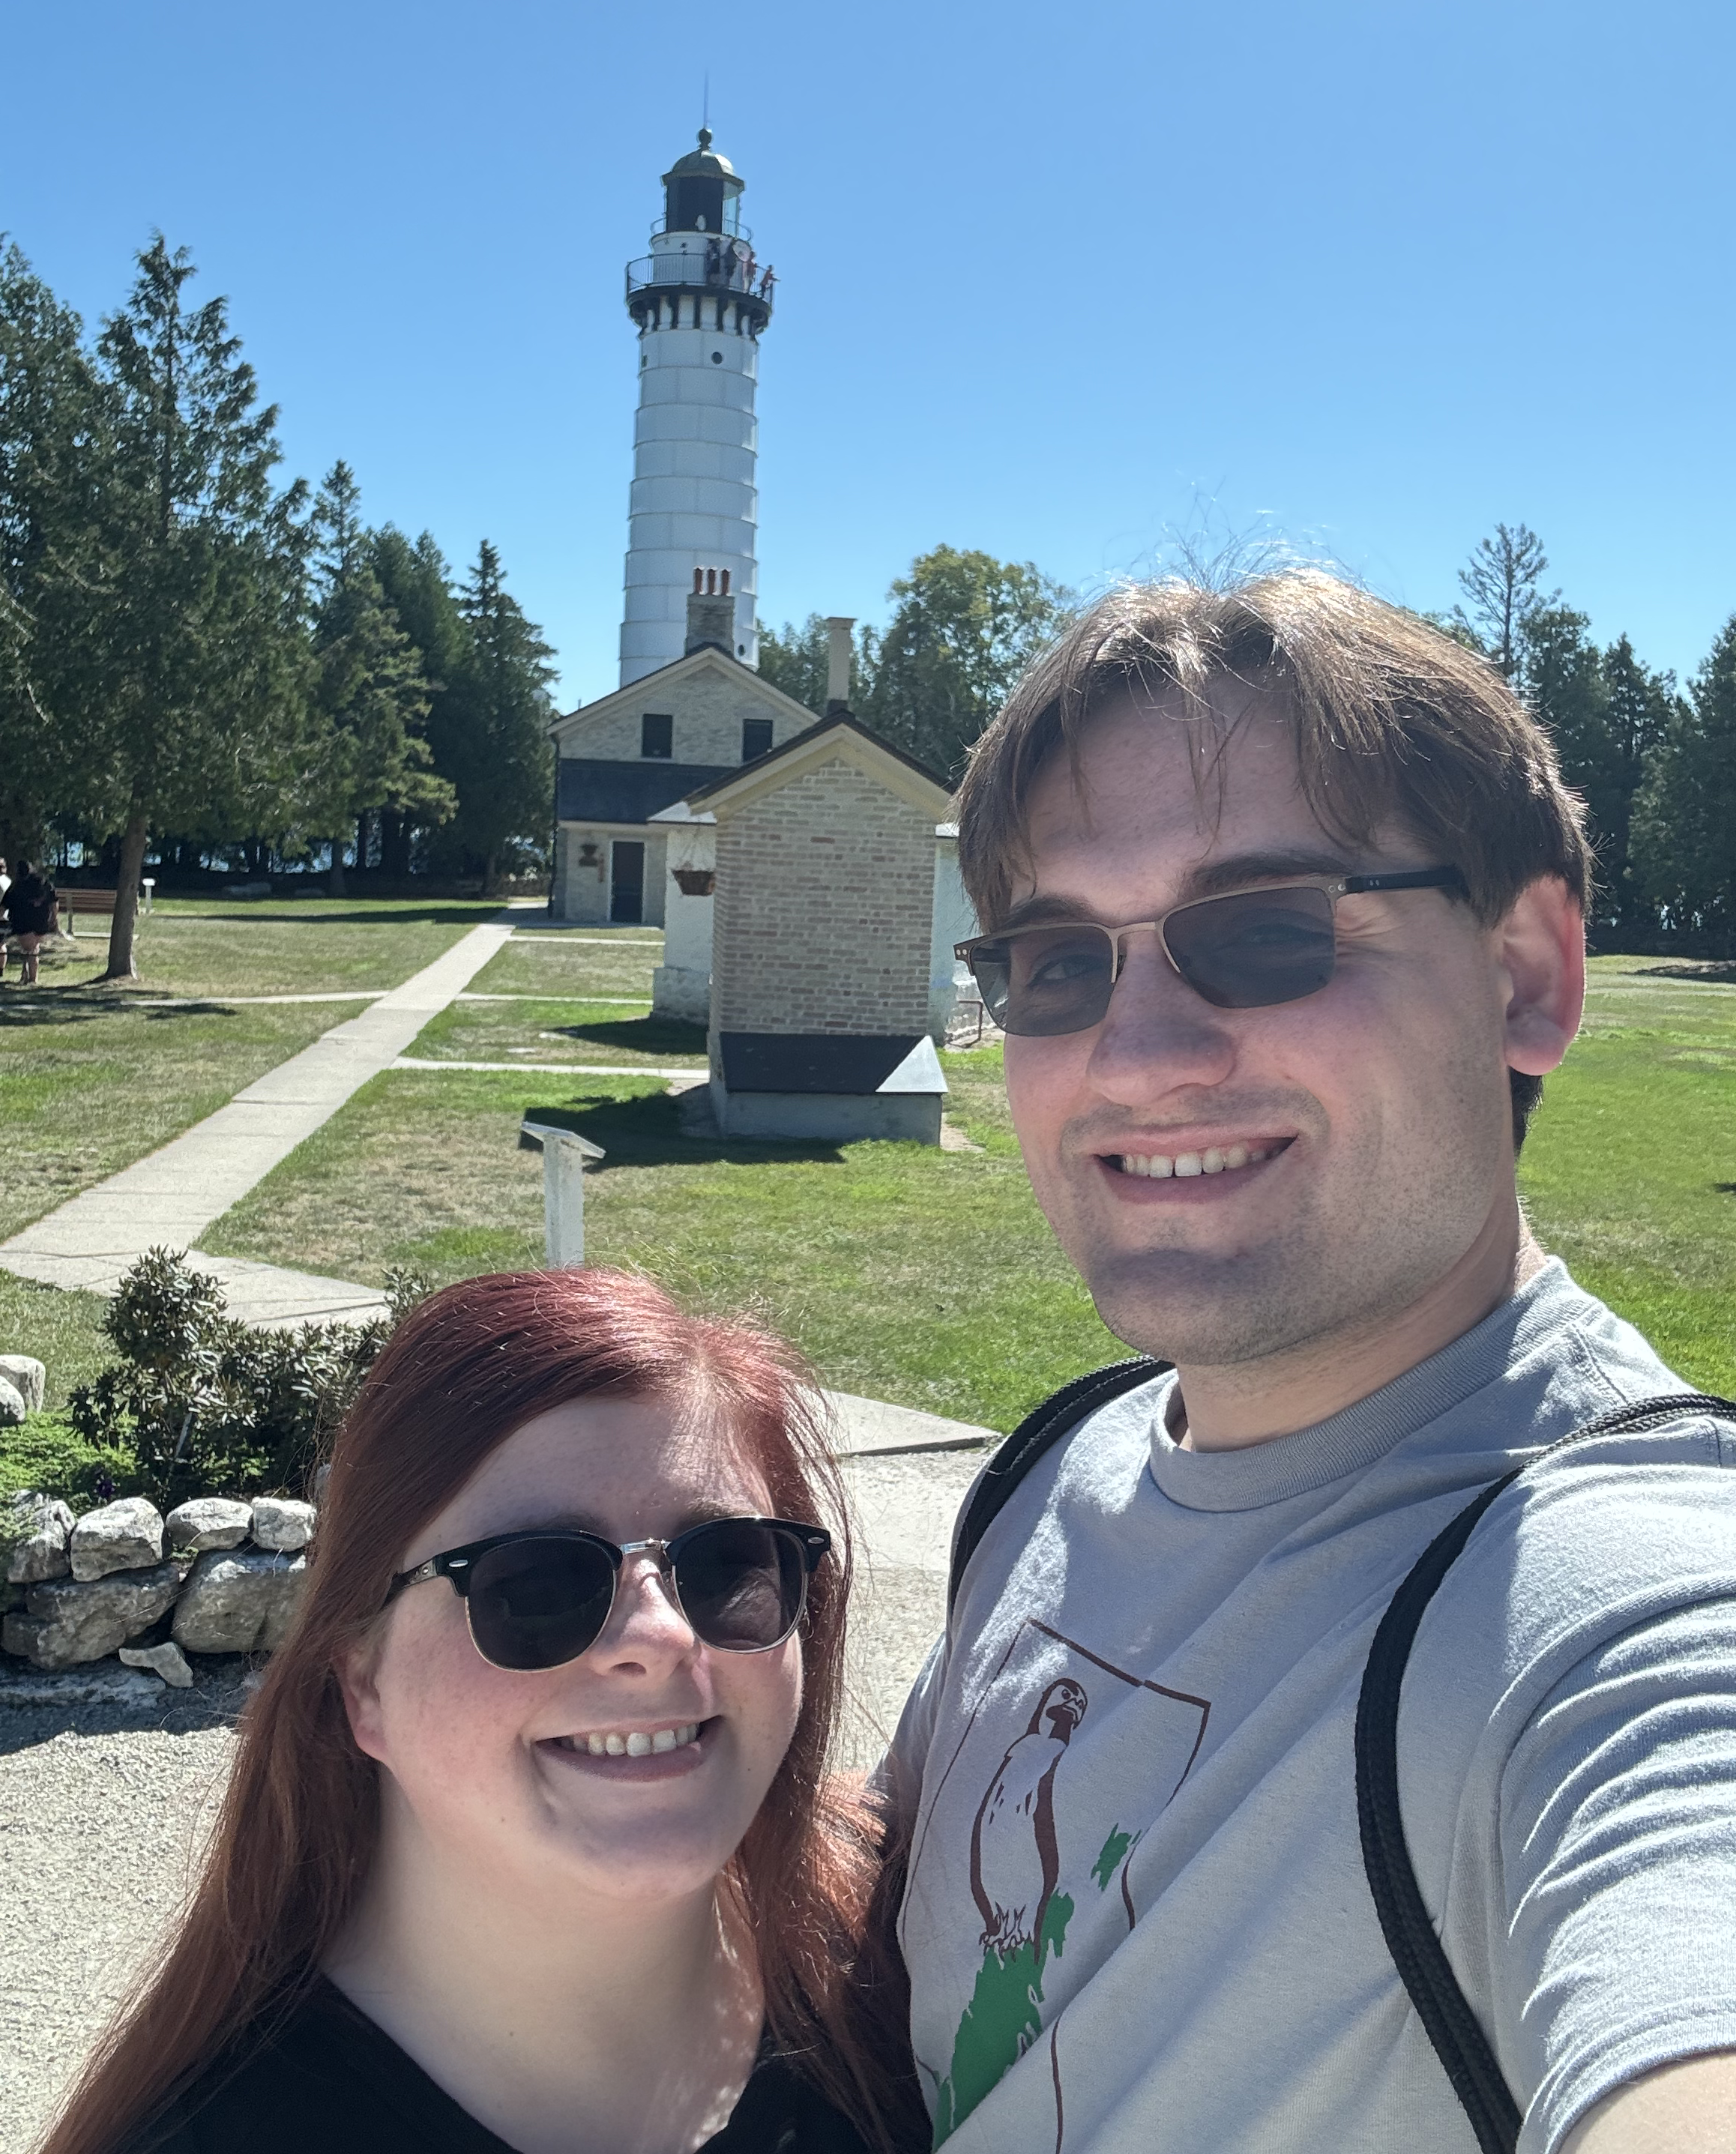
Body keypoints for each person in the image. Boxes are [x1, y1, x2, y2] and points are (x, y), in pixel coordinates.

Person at [884, 570, 1736, 2153]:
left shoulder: (1628, 1610)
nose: (1135, 1058)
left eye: (1267, 930)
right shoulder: (1058, 1470)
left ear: (1530, 976)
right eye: (1060, 964)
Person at [45, 1269, 922, 2154]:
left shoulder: (933, 1967)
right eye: (535, 1580)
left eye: (730, 1564)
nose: (657, 1633)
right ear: (362, 1684)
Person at [4, 856, 58, 984]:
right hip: (41, 921)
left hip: (22, 921)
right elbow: (54, 901)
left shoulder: (16, 886)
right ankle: (29, 976)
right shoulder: (43, 882)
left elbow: (4, 904)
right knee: (34, 949)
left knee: (28, 950)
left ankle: (30, 977)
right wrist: (54, 919)